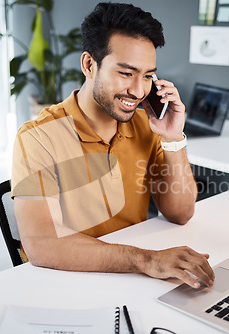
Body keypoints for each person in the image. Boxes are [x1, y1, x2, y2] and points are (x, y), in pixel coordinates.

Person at [11, 2, 215, 289]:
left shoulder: (146, 125)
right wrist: (146, 261)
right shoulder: (38, 137)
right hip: (68, 284)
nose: (138, 90)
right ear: (89, 65)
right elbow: (42, 244)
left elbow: (180, 213)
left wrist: (172, 139)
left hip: (133, 281)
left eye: (147, 76)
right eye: (126, 73)